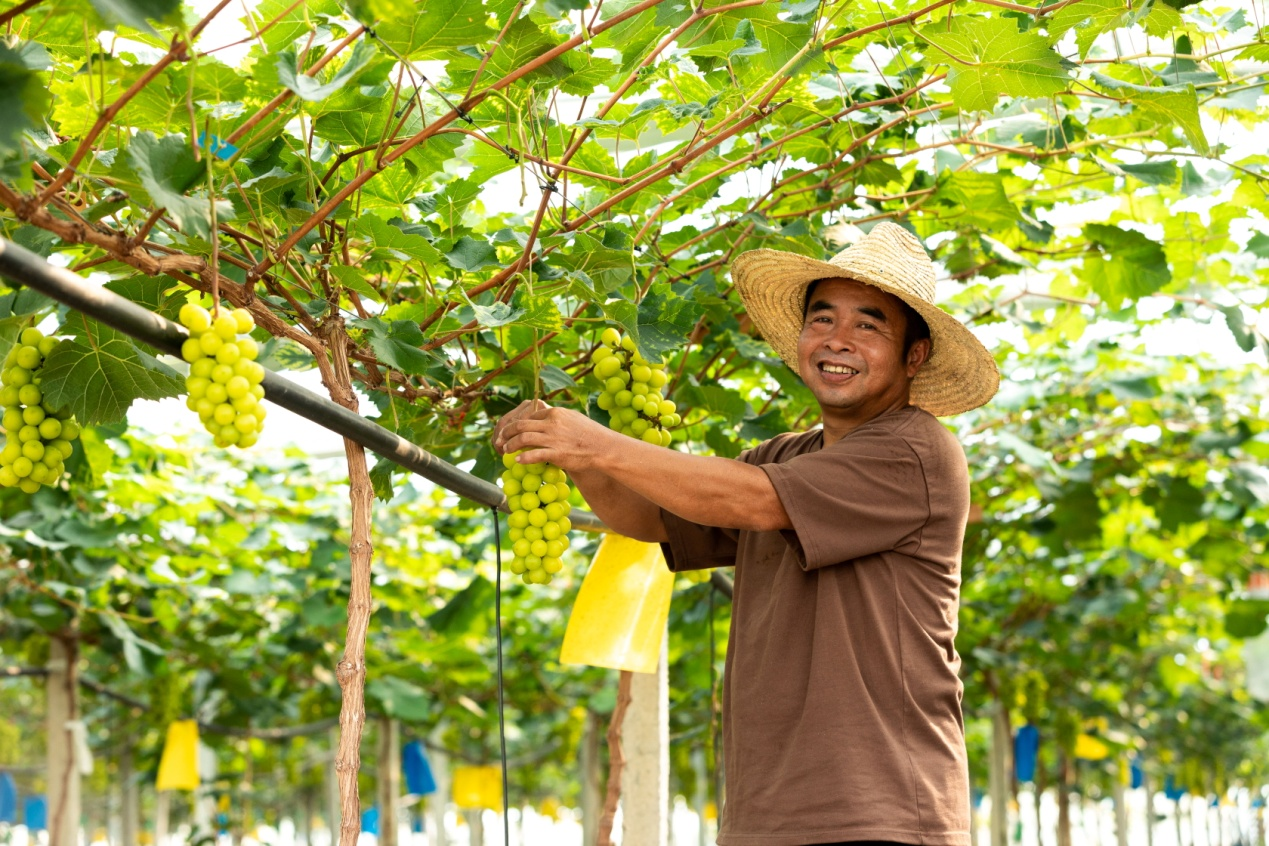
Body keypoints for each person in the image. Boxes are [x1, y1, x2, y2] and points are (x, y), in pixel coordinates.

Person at [493, 222, 999, 846]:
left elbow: (754, 500)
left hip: (881, 813)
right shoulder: (787, 454)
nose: (838, 340)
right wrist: (570, 454)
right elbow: (647, 519)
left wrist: (597, 441)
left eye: (868, 325)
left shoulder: (916, 451)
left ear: (913, 356)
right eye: (822, 319)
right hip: (766, 818)